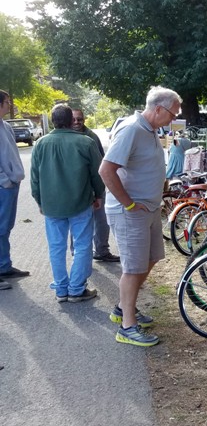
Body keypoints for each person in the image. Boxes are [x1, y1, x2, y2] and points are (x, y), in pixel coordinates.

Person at [99, 86, 182, 347]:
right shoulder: (132, 129)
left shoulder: (150, 130)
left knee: (151, 258)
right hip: (131, 213)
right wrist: (130, 205)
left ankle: (124, 309)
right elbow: (106, 170)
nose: (174, 119)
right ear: (158, 108)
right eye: (172, 113)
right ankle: (127, 327)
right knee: (133, 268)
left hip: (149, 208)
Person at [31, 104, 105, 302]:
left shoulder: (40, 143)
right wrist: (99, 195)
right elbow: (97, 174)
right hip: (80, 201)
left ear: (53, 120)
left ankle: (61, 288)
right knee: (82, 245)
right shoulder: (85, 142)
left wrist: (39, 200)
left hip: (52, 205)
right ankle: (76, 288)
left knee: (56, 246)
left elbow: (35, 178)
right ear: (71, 120)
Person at [72, 108, 120, 262]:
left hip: (94, 185)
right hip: (75, 188)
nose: (77, 122)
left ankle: (102, 251)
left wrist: (99, 189)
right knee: (77, 222)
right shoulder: (65, 136)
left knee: (101, 220)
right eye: (73, 119)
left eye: (79, 119)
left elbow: (101, 162)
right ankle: (77, 254)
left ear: (84, 119)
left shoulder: (92, 137)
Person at [0, 89, 28, 290]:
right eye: (7, 102)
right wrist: (5, 180)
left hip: (11, 185)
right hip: (3, 185)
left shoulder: (5, 126)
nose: (10, 105)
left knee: (5, 227)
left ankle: (4, 266)